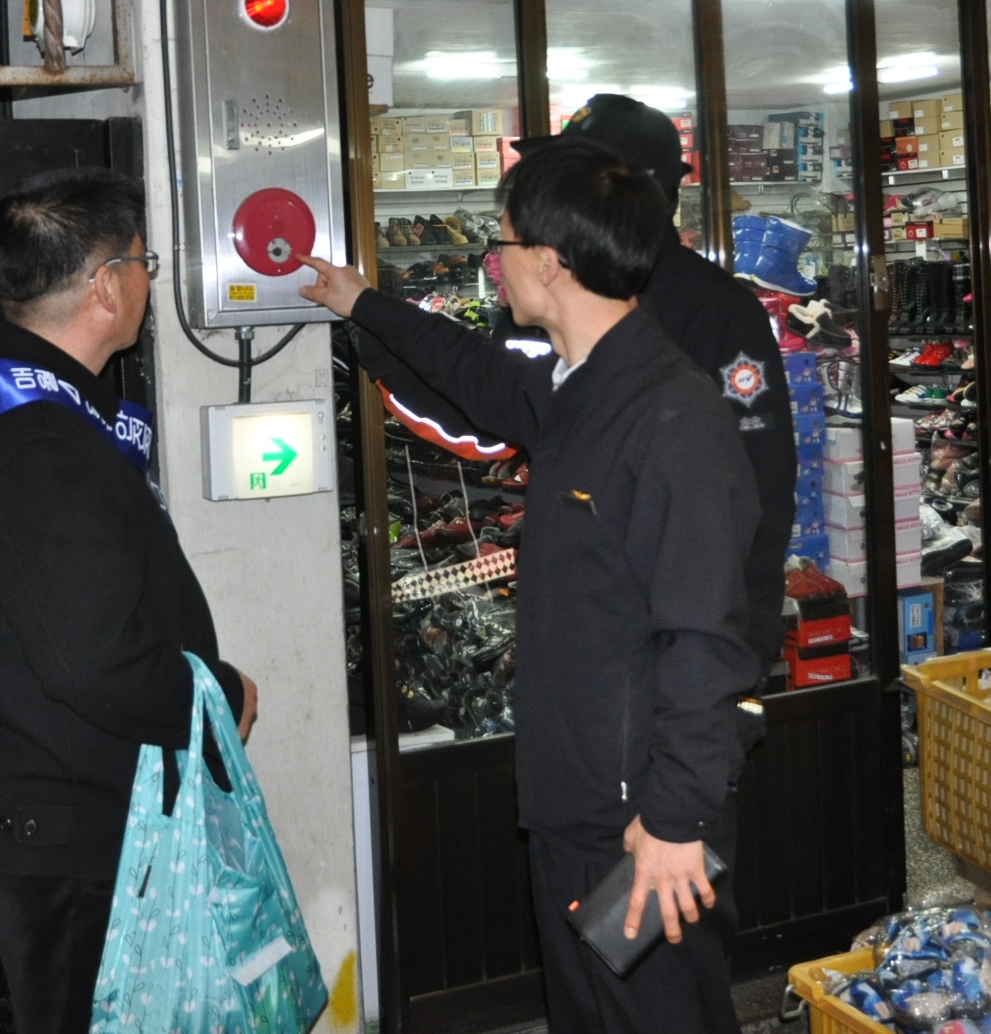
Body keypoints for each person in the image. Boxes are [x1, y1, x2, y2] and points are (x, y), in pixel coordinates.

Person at [299, 138, 763, 1034]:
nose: (493, 260)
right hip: (576, 797)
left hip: (638, 818)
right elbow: (475, 372)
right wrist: (361, 303)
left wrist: (675, 821)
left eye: (502, 240)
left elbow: (705, 642)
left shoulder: (672, 421)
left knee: (657, 1019)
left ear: (548, 262)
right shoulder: (582, 389)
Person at [0, 168, 257, 1034]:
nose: (149, 280)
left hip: (81, 814)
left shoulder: (32, 409)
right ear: (107, 285)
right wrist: (218, 698)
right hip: (77, 836)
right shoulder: (37, 445)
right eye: (144, 262)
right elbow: (94, 662)